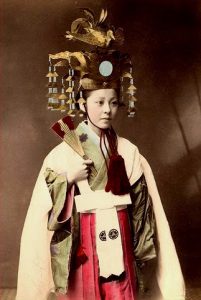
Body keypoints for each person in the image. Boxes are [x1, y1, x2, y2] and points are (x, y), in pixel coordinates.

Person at [16, 8, 185, 300]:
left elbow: (145, 211)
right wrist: (68, 179)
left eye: (113, 102)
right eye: (98, 102)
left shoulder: (130, 152)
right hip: (84, 244)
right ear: (82, 104)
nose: (107, 110)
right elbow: (42, 208)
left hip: (120, 243)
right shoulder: (62, 154)